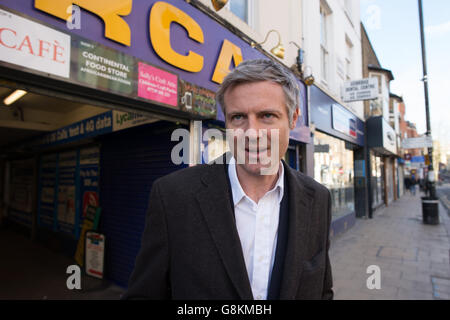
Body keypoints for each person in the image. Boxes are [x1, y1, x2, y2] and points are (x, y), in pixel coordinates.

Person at [123, 59, 333, 300]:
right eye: (238, 118)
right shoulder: (173, 196)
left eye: (267, 115)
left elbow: (322, 291)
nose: (251, 133)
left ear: (293, 118)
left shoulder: (318, 198)